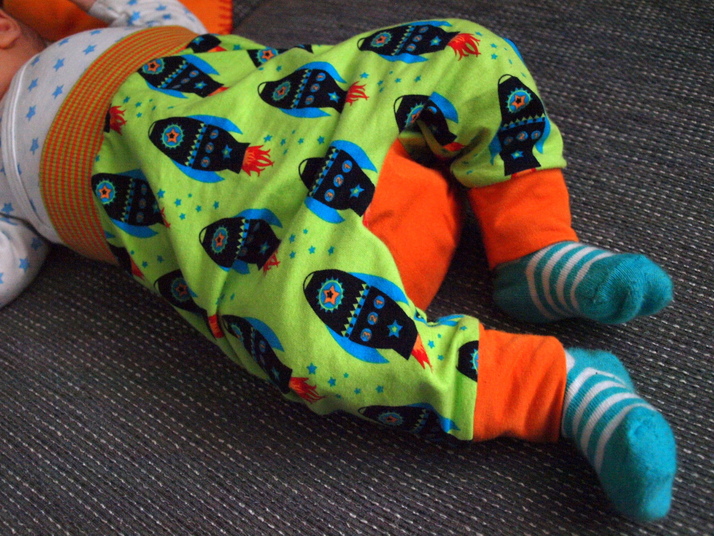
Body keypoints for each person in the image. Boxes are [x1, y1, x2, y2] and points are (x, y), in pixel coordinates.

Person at [0, 0, 677, 522]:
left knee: (464, 49)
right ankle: (559, 390)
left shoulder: (130, 26)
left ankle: (535, 245)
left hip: (328, 106)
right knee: (301, 345)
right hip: (279, 243)